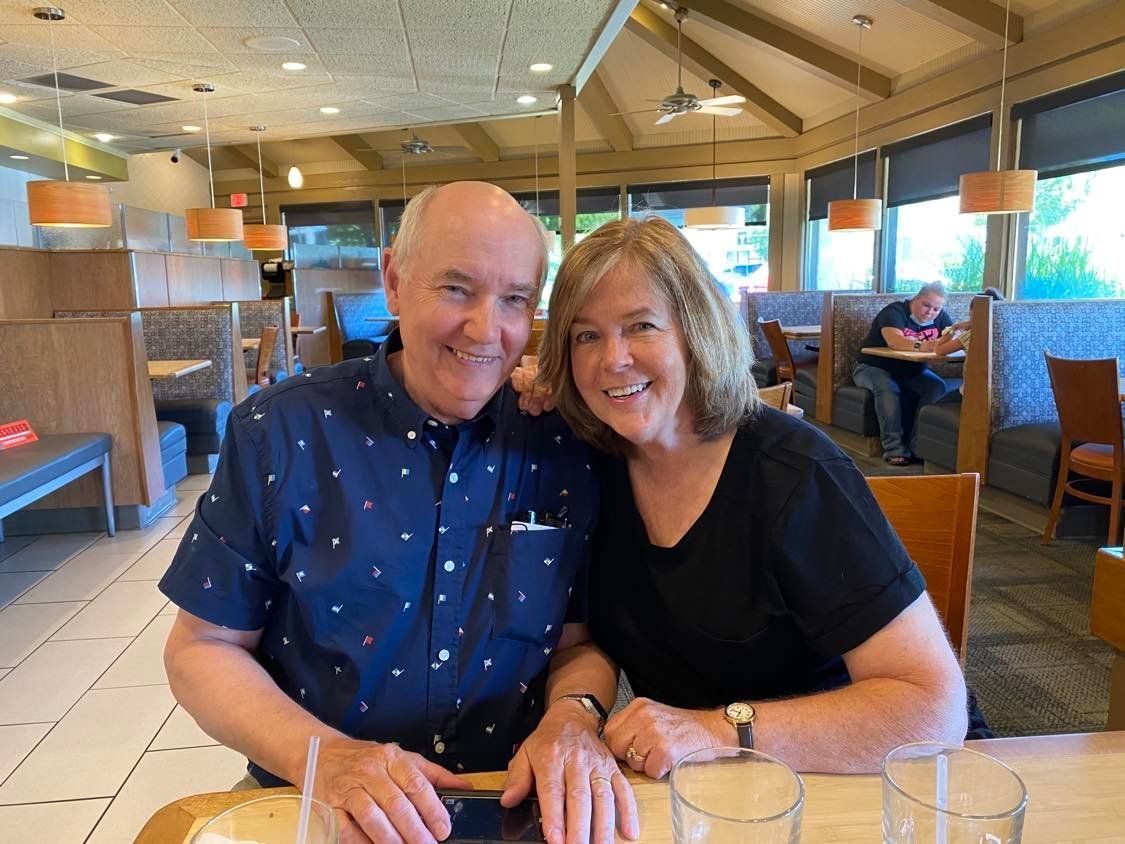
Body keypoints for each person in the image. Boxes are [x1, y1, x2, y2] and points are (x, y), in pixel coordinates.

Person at [160, 182, 638, 844]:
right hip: (319, 798)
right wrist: (327, 759)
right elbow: (201, 647)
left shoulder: (563, 441)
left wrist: (573, 716)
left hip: (511, 795)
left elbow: (578, 644)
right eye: (455, 289)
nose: (485, 329)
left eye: (514, 300)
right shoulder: (280, 430)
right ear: (393, 279)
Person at [534, 217, 967, 778]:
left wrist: (717, 729)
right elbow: (582, 641)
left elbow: (932, 710)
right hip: (700, 781)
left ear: (695, 332)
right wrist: (574, 711)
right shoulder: (591, 467)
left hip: (855, 772)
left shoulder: (796, 473)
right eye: (585, 335)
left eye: (640, 325)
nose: (611, 359)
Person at [852, 283, 958, 466]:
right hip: (871, 367)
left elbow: (952, 339)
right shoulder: (894, 311)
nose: (930, 312)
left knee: (936, 387)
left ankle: (918, 445)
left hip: (912, 371)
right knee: (887, 387)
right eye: (926, 305)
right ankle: (894, 449)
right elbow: (895, 341)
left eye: (936, 309)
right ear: (915, 298)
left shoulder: (941, 318)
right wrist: (924, 345)